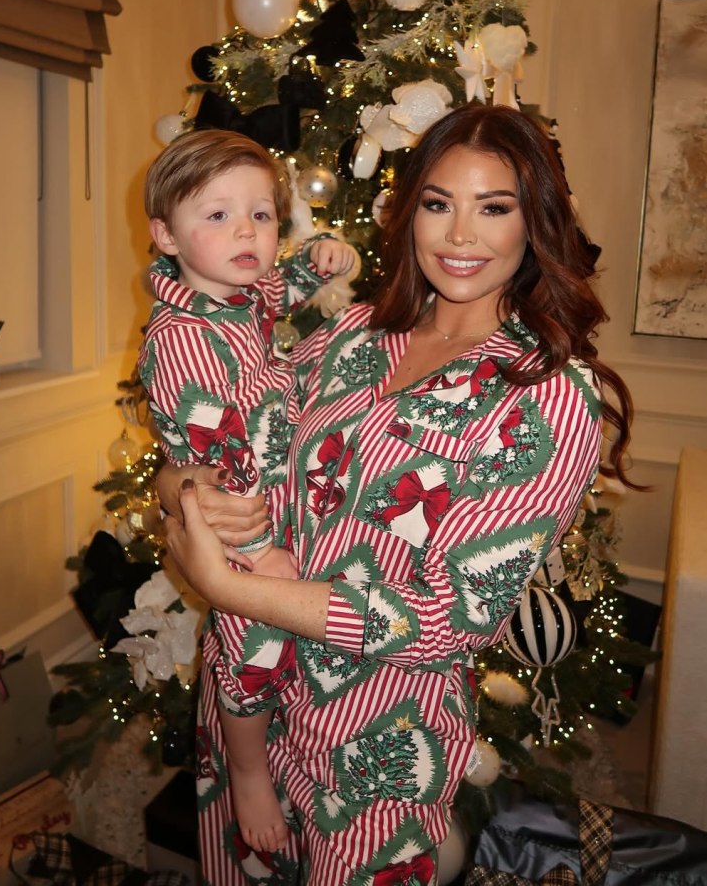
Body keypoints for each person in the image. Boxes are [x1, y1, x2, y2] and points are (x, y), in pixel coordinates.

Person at [159, 103, 638, 886]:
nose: (459, 237)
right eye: (438, 204)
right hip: (247, 702)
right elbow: (227, 438)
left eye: (493, 208)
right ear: (409, 208)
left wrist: (221, 585)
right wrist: (179, 484)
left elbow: (453, 617)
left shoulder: (547, 398)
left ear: (532, 225)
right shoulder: (351, 336)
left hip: (375, 746)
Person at [138, 128, 356, 853]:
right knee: (252, 642)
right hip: (232, 522)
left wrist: (324, 252)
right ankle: (249, 765)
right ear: (165, 236)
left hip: (273, 498)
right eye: (218, 214)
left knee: (282, 636)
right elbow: (221, 463)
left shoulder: (238, 291)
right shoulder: (181, 338)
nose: (246, 232)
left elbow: (282, 281)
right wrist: (260, 554)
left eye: (261, 215)